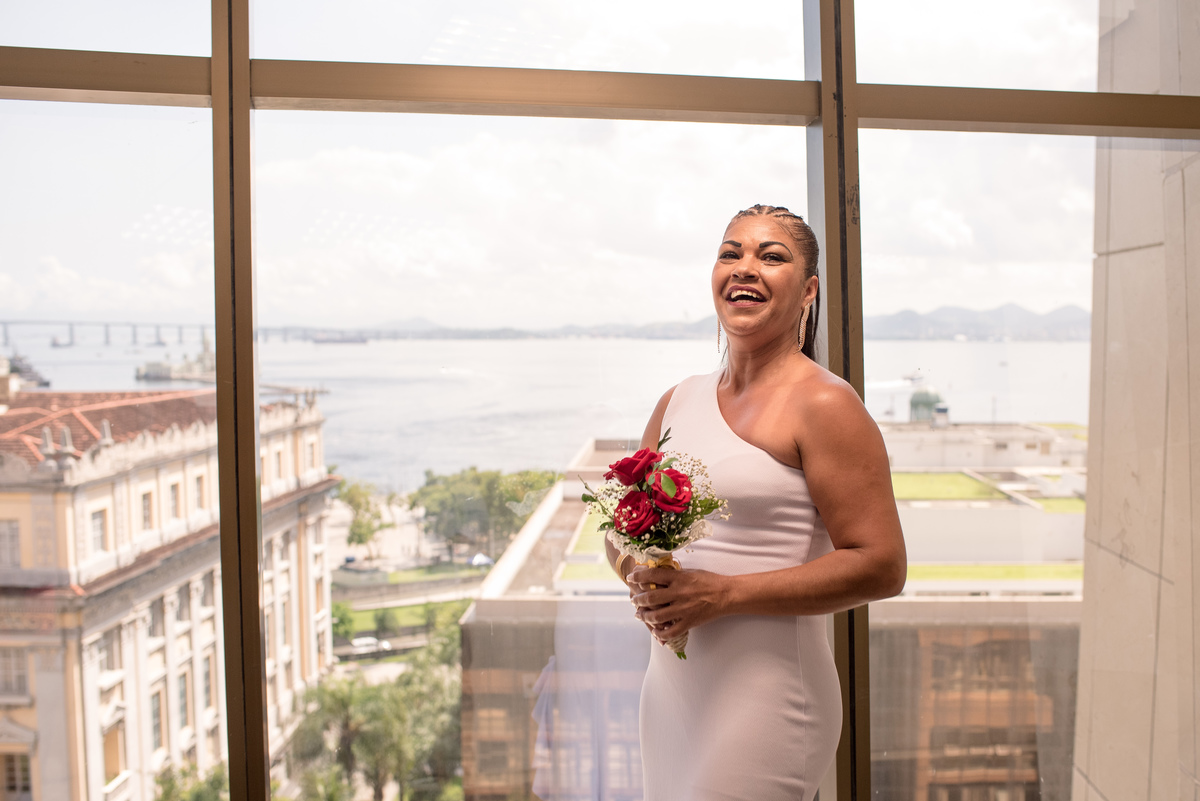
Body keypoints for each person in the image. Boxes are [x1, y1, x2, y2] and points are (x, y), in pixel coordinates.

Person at [606, 204, 906, 801]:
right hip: (672, 691)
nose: (746, 267)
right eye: (730, 253)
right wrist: (638, 572)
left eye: (772, 256)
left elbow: (882, 563)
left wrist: (724, 594)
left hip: (767, 698)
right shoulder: (677, 400)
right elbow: (617, 527)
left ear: (808, 291)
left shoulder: (825, 405)